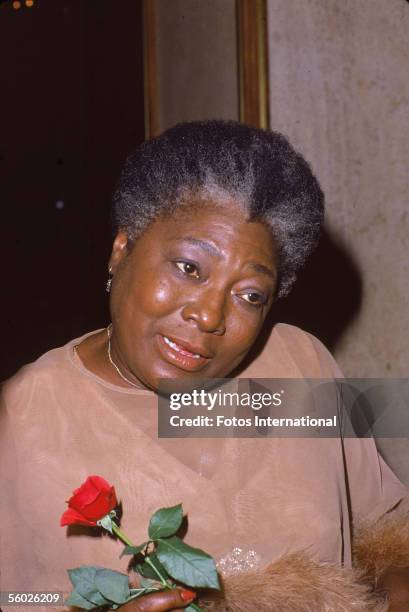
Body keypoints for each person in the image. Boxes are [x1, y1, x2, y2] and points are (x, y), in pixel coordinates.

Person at [1, 120, 409, 612]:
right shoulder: (20, 423)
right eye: (189, 267)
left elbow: (388, 532)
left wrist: (398, 585)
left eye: (250, 295)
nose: (210, 316)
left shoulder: (300, 362)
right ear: (121, 250)